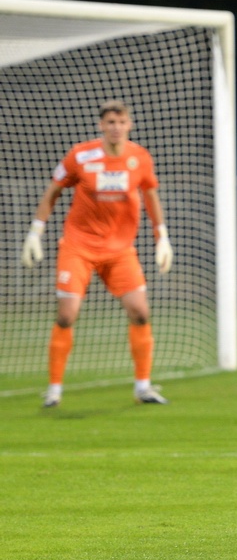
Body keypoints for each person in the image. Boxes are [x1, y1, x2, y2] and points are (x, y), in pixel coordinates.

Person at [21, 100, 173, 408]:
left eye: (121, 121)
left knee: (140, 312)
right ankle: (54, 390)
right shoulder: (81, 155)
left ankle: (143, 387)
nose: (116, 127)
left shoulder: (139, 158)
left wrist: (163, 237)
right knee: (67, 315)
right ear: (101, 125)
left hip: (120, 251)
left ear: (129, 124)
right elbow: (53, 191)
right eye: (110, 122)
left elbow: (151, 194)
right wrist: (35, 232)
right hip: (79, 247)